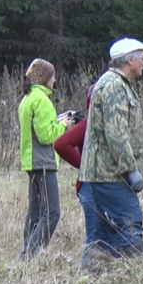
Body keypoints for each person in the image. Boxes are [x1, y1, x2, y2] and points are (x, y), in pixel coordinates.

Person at [80, 37, 143, 259]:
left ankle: (97, 275)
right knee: (130, 223)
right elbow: (116, 132)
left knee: (105, 234)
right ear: (130, 59)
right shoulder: (113, 86)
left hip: (106, 172)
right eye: (142, 57)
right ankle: (136, 275)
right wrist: (131, 169)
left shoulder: (117, 84)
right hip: (111, 173)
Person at [17, 58, 72, 260]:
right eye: (52, 75)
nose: (55, 80)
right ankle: (30, 256)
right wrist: (64, 126)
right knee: (52, 212)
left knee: (35, 212)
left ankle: (27, 252)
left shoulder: (27, 99)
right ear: (45, 77)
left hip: (31, 161)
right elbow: (46, 136)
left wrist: (56, 122)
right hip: (44, 162)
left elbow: (37, 129)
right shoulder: (42, 101)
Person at [54, 84, 99, 267]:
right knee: (95, 235)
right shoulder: (90, 124)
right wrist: (85, 165)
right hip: (90, 186)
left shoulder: (108, 122)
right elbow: (61, 144)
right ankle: (89, 274)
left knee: (102, 234)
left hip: (97, 186)